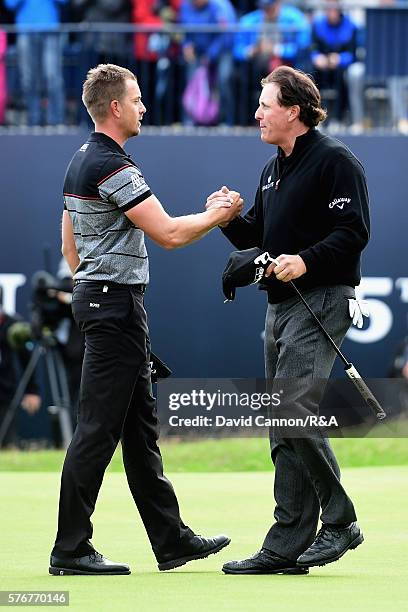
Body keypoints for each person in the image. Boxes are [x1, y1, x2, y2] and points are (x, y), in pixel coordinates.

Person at [49, 63, 242, 576]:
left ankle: (171, 540)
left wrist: (90, 288)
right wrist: (219, 216)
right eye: (136, 100)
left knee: (138, 430)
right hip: (115, 305)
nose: (143, 107)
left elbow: (71, 244)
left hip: (105, 301)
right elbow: (171, 234)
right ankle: (70, 548)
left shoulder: (80, 160)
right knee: (97, 430)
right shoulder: (113, 165)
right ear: (115, 107)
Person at [206, 66, 369, 574]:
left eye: (265, 104)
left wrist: (307, 260)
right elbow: (264, 240)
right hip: (281, 305)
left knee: (292, 410)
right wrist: (232, 220)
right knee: (283, 424)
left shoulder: (336, 160)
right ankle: (286, 547)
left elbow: (353, 231)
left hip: (321, 300)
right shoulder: (272, 168)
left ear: (293, 111)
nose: (256, 113)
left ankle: (340, 522)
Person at [233, 0, 310, 124]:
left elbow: (303, 46)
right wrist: (251, 51)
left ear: (278, 3)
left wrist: (277, 50)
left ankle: (300, 119)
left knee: (301, 74)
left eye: (270, 6)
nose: (267, 10)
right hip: (258, 68)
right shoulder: (250, 21)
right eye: (264, 7)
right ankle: (246, 122)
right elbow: (237, 50)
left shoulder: (294, 19)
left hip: (289, 67)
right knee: (239, 77)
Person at [5, 0, 67, 126]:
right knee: (28, 79)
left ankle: (56, 121)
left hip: (50, 29)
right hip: (25, 30)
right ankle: (33, 120)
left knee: (52, 76)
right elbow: (10, 4)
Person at [0, 288, 41, 448]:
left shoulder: (13, 326)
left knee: (7, 444)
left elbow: (26, 360)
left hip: (4, 392)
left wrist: (32, 391)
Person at [310, 2, 358, 126]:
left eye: (334, 9)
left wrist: (339, 59)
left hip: (340, 68)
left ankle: (338, 119)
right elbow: (313, 48)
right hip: (322, 67)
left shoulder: (350, 26)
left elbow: (353, 53)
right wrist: (317, 58)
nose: (331, 12)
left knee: (343, 77)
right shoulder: (318, 25)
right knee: (310, 76)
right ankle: (314, 117)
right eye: (328, 8)